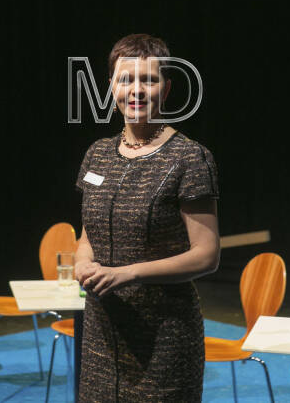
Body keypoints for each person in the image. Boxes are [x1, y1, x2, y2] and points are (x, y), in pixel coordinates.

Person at [74, 33, 220, 403]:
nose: (136, 90)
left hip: (165, 338)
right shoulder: (97, 154)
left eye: (148, 80)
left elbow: (206, 255)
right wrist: (82, 261)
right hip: (100, 334)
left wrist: (129, 273)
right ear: (111, 87)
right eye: (126, 80)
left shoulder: (189, 158)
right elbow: (87, 233)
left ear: (166, 89)